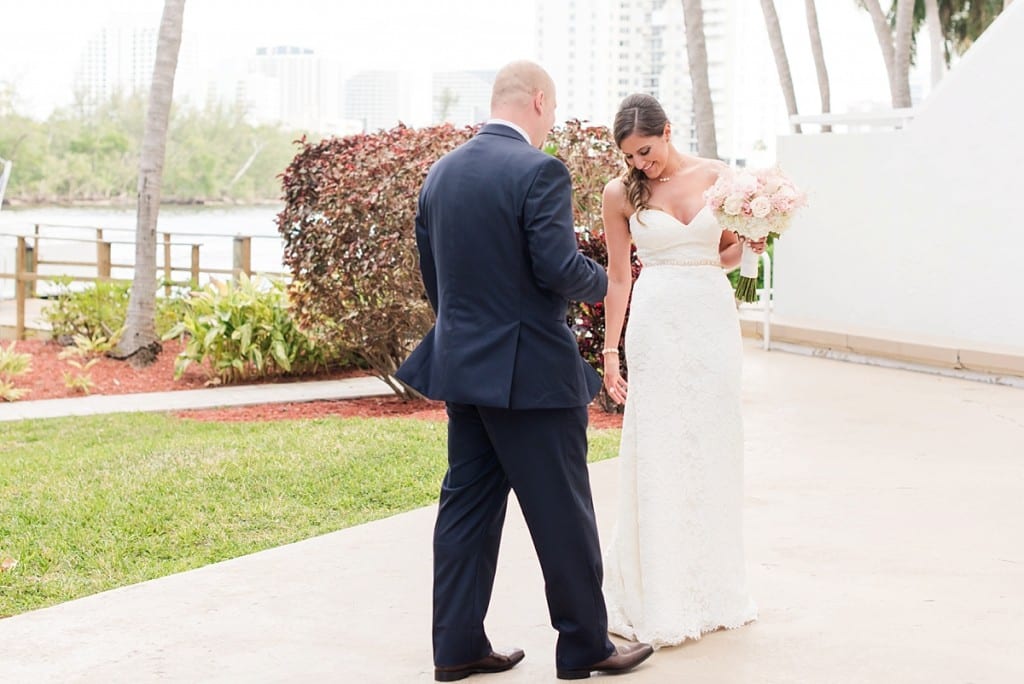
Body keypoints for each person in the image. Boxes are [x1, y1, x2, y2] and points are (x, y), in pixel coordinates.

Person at [395, 62, 654, 681]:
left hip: (464, 368)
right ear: (539, 100)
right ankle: (584, 646)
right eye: (553, 109)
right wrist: (610, 281)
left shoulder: (441, 172)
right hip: (531, 375)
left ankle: (457, 647)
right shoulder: (540, 170)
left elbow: (435, 275)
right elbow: (559, 268)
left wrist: (468, 330)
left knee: (466, 509)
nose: (552, 121)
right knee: (563, 513)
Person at [599, 93, 761, 649]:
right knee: (662, 449)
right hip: (657, 325)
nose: (639, 164)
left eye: (645, 151)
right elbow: (619, 277)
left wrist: (754, 244)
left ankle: (713, 590)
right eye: (630, 156)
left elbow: (728, 254)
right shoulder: (620, 193)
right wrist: (610, 352)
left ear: (667, 131)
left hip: (711, 322)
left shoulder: (719, 177)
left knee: (713, 444)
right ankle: (660, 592)